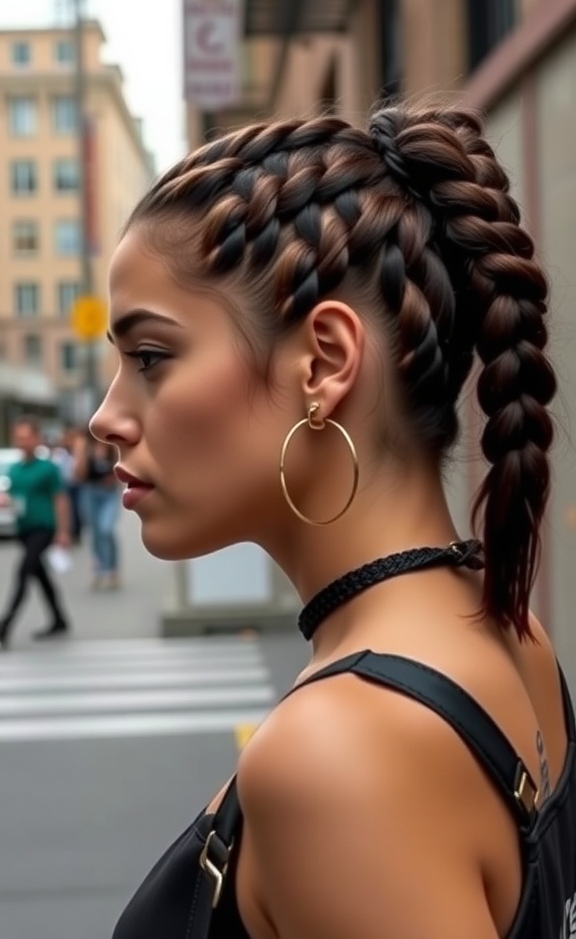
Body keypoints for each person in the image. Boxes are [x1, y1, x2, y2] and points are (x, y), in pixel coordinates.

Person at [90, 101, 575, 939]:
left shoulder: (340, 753)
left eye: (151, 358)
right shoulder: (509, 632)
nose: (106, 416)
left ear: (324, 363)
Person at [0, 417, 71, 648]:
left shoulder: (48, 468)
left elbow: (60, 499)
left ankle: (5, 626)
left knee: (23, 572)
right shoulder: (15, 469)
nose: (22, 442)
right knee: (41, 577)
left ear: (36, 439)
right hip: (23, 529)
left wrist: (63, 531)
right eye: (18, 438)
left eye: (26, 437)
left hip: (43, 527)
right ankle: (59, 620)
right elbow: (13, 496)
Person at [73, 430, 121, 590]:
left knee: (106, 529)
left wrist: (112, 478)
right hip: (90, 492)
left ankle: (112, 568)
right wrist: (80, 453)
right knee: (95, 532)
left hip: (109, 493)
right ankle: (100, 569)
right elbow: (78, 476)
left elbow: (122, 469)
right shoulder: (86, 448)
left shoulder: (112, 447)